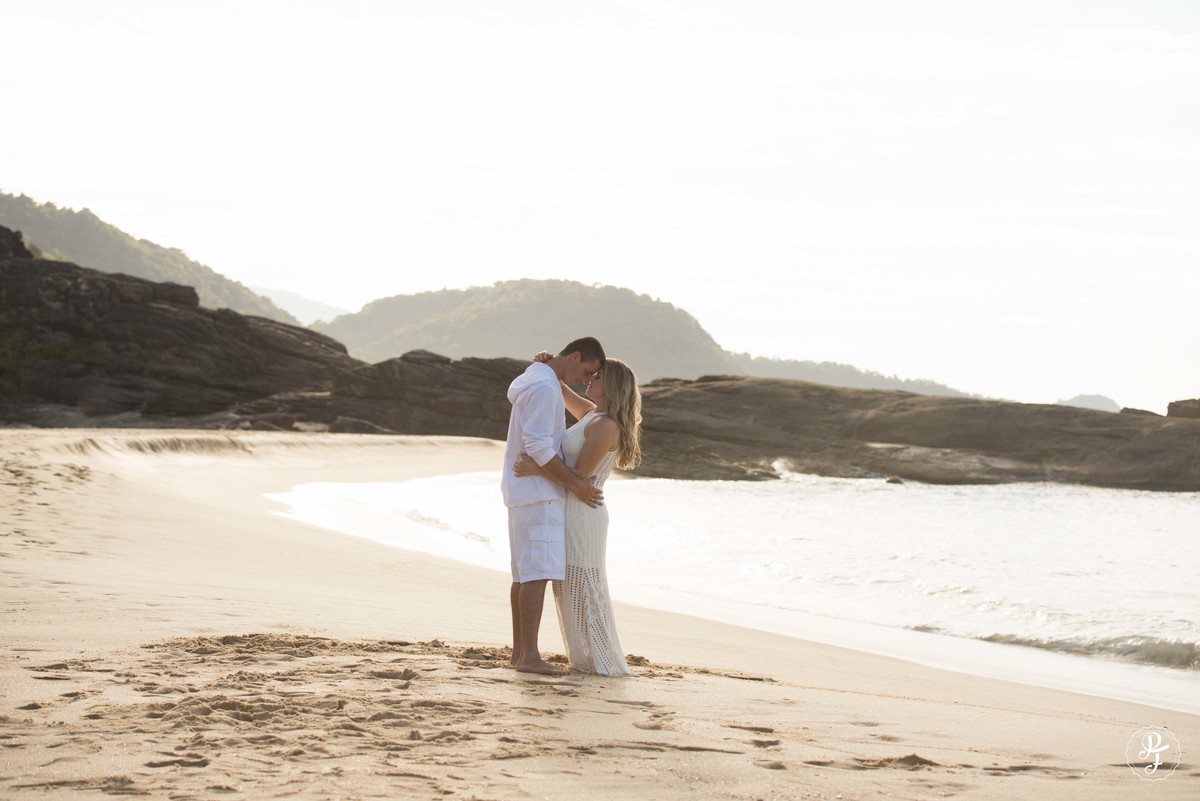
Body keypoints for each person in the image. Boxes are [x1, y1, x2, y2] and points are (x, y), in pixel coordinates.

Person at [514, 354, 642, 677]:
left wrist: (536, 466)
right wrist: (550, 365)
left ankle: (601, 660)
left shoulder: (606, 426)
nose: (589, 380)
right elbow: (557, 387)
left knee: (584, 584)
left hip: (585, 513)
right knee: (569, 584)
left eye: (596, 378)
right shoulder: (590, 414)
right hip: (571, 508)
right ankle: (585, 656)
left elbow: (580, 474)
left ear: (610, 386)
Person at [501, 336, 606, 675]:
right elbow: (538, 445)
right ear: (575, 356)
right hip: (539, 493)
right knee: (536, 575)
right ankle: (528, 656)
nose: (586, 381)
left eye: (593, 378)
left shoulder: (536, 378)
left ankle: (521, 653)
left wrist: (556, 375)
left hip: (524, 491)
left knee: (524, 574)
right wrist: (576, 483)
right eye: (587, 371)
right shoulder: (545, 388)